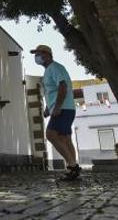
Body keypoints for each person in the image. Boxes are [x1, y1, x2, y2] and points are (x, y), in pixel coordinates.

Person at [31, 44, 81, 181]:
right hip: (64, 108)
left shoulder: (56, 67)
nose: (36, 57)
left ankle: (72, 166)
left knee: (51, 135)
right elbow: (52, 91)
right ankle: (73, 168)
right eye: (35, 54)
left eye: (38, 54)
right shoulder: (48, 71)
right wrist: (49, 108)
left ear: (47, 54)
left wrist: (57, 106)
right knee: (65, 138)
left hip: (63, 108)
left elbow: (63, 86)